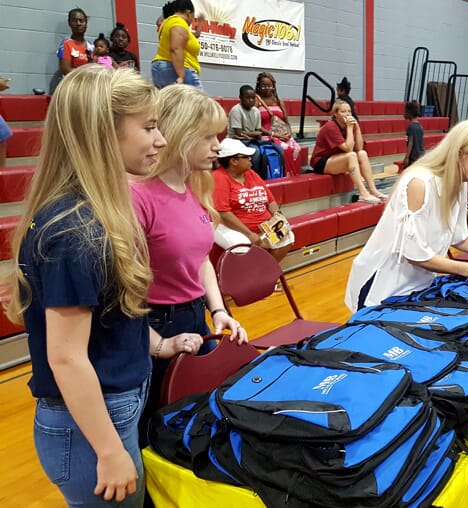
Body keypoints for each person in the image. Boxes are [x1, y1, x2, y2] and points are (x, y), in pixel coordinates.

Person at [2, 66, 203, 507]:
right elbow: (67, 357)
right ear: (101, 133)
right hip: (90, 429)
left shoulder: (100, 215)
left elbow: (109, 316)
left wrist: (159, 345)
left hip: (113, 409)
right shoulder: (75, 232)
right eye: (149, 127)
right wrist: (109, 451)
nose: (161, 140)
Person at [130, 84, 247, 447]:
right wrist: (159, 344)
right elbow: (122, 288)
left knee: (193, 423)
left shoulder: (196, 187)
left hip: (193, 317)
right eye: (209, 136)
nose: (218, 146)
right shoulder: (138, 196)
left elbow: (201, 261)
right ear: (180, 134)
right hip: (154, 325)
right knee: (156, 430)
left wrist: (218, 310)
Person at [345, 119, 468, 310]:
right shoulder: (419, 183)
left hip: (416, 287)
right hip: (382, 289)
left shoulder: (459, 183)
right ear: (459, 154)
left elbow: (458, 236)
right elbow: (415, 254)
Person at [213, 138, 294, 262]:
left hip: (263, 226)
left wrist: (279, 218)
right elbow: (224, 213)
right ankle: (252, 277)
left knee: (287, 236)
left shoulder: (251, 174)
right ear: (234, 161)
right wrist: (249, 234)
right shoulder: (219, 178)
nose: (250, 159)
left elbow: (270, 201)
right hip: (235, 228)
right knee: (242, 246)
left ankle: (264, 274)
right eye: (246, 157)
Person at [310, 100, 385, 204]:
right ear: (335, 114)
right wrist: (350, 128)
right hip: (321, 162)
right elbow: (349, 149)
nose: (348, 114)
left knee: (362, 154)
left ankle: (373, 190)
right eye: (343, 111)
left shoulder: (347, 125)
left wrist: (357, 128)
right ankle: (363, 193)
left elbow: (359, 148)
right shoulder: (331, 127)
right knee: (352, 156)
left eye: (349, 111)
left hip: (336, 157)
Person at [230, 84, 284, 179]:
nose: (251, 100)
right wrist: (256, 134)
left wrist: (263, 134)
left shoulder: (255, 110)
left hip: (252, 139)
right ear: (240, 98)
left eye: (253, 98)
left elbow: (258, 129)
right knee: (256, 152)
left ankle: (278, 175)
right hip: (237, 140)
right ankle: (254, 178)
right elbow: (239, 133)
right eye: (247, 98)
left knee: (278, 149)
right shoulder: (236, 110)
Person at [255, 72, 303, 176]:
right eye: (263, 86)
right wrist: (275, 135)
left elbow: (286, 121)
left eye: (269, 85)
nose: (267, 88)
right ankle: (283, 175)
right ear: (259, 86)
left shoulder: (279, 101)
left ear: (273, 86)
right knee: (284, 148)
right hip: (266, 135)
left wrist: (289, 134)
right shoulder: (256, 101)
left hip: (282, 134)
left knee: (296, 148)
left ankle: (294, 176)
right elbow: (255, 125)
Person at [151, 0, 202, 88]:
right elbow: (175, 49)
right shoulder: (178, 22)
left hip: (159, 68)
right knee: (199, 101)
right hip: (178, 69)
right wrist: (181, 76)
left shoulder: (166, 24)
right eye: (193, 16)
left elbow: (195, 35)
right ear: (188, 13)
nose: (193, 20)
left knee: (168, 101)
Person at [57, 8, 93, 77]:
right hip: (74, 85)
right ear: (69, 23)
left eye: (81, 21)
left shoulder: (92, 46)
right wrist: (87, 74)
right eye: (74, 21)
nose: (78, 23)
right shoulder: (66, 44)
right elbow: (66, 70)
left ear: (86, 23)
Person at [403, 101, 425, 167]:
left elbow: (410, 143)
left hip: (414, 157)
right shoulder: (420, 126)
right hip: (421, 155)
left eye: (405, 111)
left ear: (409, 113)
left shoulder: (410, 127)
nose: (404, 114)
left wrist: (406, 157)